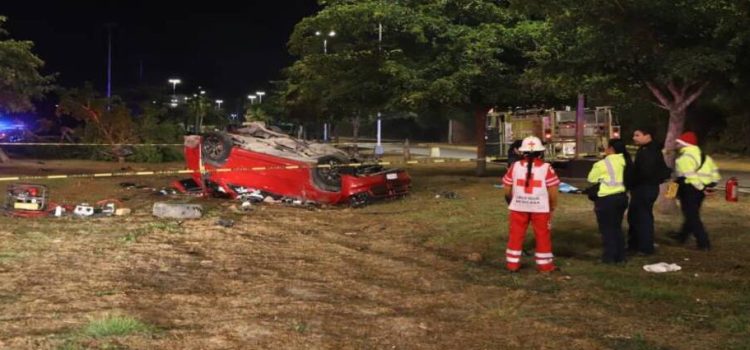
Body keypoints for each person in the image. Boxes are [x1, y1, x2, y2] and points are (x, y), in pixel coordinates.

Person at [502, 136, 560, 272]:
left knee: (515, 234)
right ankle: (545, 265)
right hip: (540, 208)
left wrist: (512, 201)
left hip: (518, 207)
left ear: (522, 152)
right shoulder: (546, 168)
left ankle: (512, 264)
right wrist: (552, 205)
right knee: (542, 235)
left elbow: (507, 188)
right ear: (540, 152)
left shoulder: (514, 166)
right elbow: (553, 190)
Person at [671, 131, 721, 251]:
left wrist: (700, 188)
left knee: (692, 216)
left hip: (690, 189)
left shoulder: (684, 158)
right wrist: (709, 186)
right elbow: (715, 173)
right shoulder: (705, 156)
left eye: (678, 143)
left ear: (685, 144)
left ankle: (703, 243)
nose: (676, 145)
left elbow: (690, 176)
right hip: (701, 189)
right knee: (692, 213)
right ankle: (682, 236)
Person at [588, 139, 632, 264]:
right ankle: (621, 256)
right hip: (621, 198)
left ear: (611, 149)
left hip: (606, 199)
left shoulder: (602, 164)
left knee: (607, 229)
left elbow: (591, 178)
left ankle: (609, 257)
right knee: (616, 227)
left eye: (607, 147)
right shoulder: (625, 161)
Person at [627, 127, 670, 255]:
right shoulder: (646, 149)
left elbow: (645, 172)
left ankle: (645, 247)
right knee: (635, 216)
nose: (634, 138)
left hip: (645, 188)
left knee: (643, 218)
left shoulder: (649, 151)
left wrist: (632, 181)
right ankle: (635, 244)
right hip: (644, 187)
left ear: (648, 136)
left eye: (637, 135)